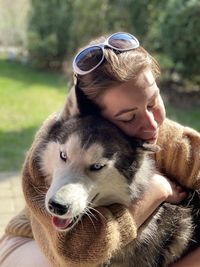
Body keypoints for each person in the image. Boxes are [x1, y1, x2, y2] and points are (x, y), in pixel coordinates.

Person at [0, 32, 199, 267]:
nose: (152, 124)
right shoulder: (50, 145)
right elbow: (74, 254)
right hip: (30, 247)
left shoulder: (161, 135)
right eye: (128, 117)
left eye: (153, 102)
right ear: (90, 115)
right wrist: (156, 190)